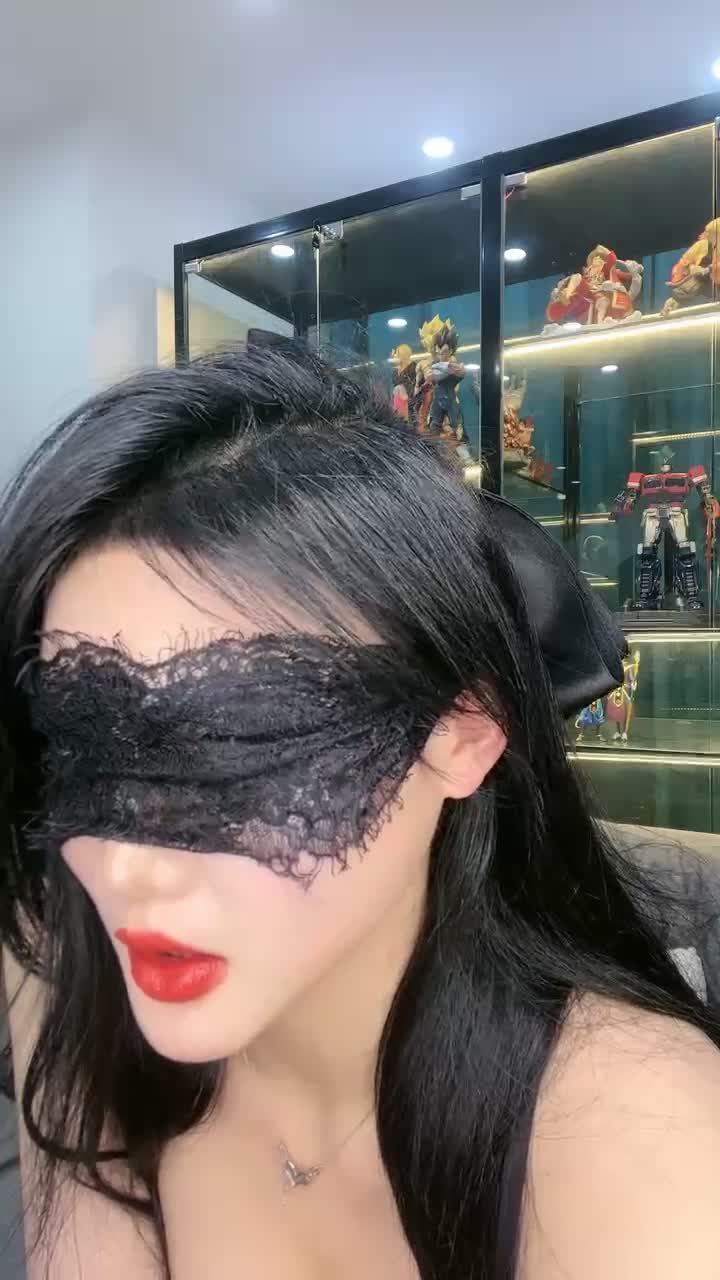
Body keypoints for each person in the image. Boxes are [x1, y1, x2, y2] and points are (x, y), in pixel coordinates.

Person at [1, 342, 720, 1280]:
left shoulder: (646, 1161)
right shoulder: (72, 967)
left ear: (467, 729)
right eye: (82, 749)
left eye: (242, 745)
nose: (126, 864)